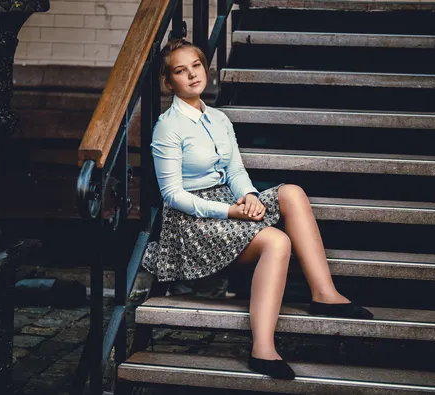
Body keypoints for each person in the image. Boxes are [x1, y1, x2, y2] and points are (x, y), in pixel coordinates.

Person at [141, 39, 373, 380]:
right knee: (277, 242)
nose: (192, 75)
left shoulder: (219, 119)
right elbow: (172, 195)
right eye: (180, 70)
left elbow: (235, 171)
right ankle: (262, 348)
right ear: (168, 81)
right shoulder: (168, 127)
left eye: (196, 65)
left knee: (291, 193)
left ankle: (324, 293)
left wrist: (248, 195)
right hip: (192, 223)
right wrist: (230, 213)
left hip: (227, 202)